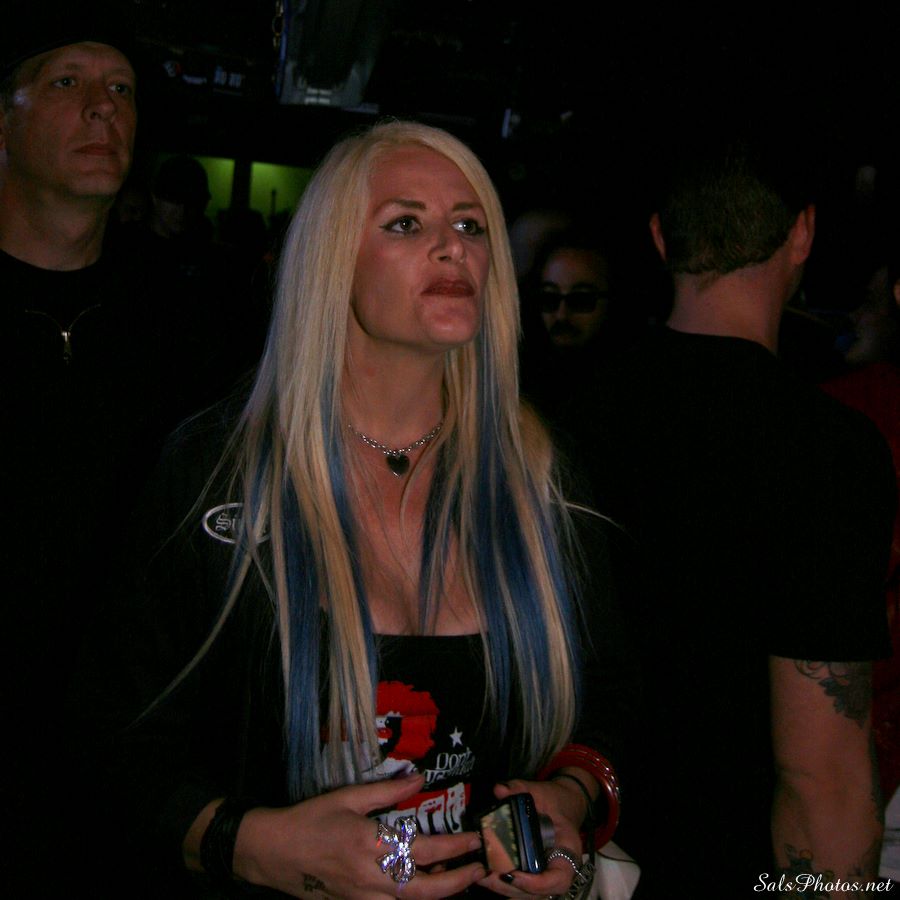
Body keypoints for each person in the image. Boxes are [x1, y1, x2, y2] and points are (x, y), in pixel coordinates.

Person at [83, 120, 634, 898]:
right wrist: (252, 843)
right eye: (407, 223)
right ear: (331, 259)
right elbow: (117, 739)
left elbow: (608, 697)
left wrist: (569, 798)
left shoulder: (539, 475)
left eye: (470, 225)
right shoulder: (216, 474)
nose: (452, 247)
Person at [571, 134, 895, 895]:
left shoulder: (558, 416)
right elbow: (822, 774)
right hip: (727, 866)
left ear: (661, 239)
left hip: (563, 850)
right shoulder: (828, 449)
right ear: (802, 234)